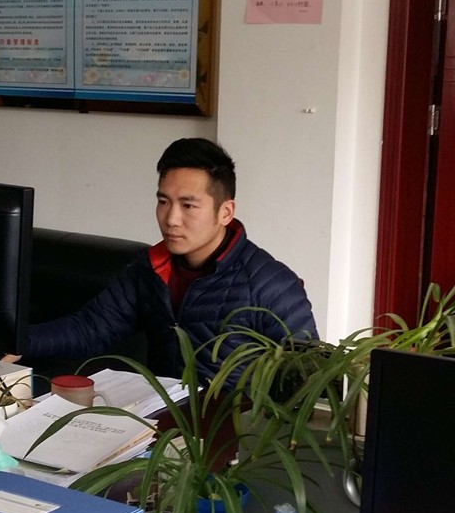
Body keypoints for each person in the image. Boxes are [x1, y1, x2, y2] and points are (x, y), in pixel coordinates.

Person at [22, 138, 317, 383]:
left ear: (225, 212)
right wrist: (16, 339)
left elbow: (305, 378)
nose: (171, 219)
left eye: (188, 205)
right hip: (158, 420)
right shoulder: (150, 267)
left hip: (232, 429)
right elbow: (91, 328)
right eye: (163, 202)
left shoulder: (271, 285)